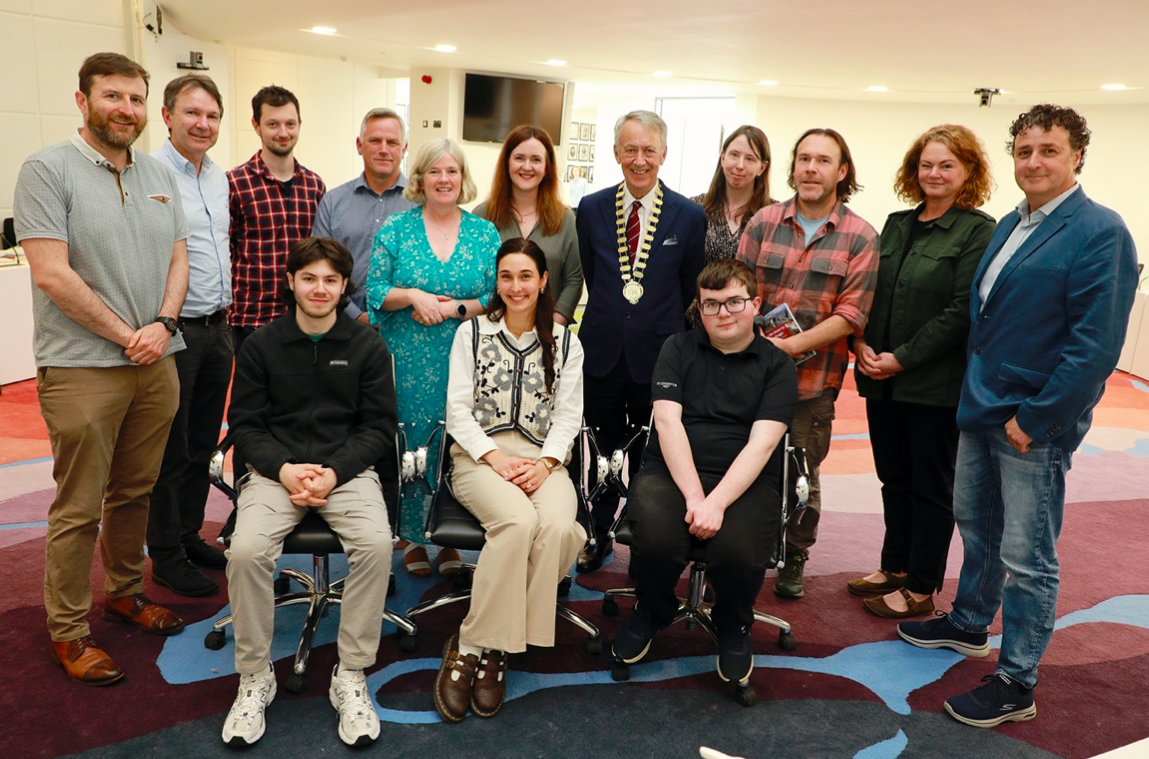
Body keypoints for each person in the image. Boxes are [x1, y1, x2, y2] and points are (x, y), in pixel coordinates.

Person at [898, 105, 1138, 728]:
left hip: (1032, 423)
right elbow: (988, 318)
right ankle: (970, 622)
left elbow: (1094, 349)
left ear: (1076, 157)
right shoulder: (1013, 223)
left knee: (1028, 555)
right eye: (1024, 150)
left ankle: (1017, 679)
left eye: (1049, 150)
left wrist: (1037, 419)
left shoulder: (1099, 231)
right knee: (975, 523)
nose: (1034, 162)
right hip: (983, 410)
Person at [15, 52, 188, 686]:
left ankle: (123, 592)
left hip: (157, 358)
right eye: (113, 96)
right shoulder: (46, 170)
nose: (127, 109)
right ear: (83, 101)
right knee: (78, 505)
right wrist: (126, 336)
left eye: (136, 99)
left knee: (135, 492)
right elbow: (51, 274)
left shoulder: (155, 172)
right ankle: (68, 630)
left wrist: (163, 327)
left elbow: (179, 258)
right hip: (83, 364)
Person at [222, 237, 396, 747]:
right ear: (291, 282)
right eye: (309, 278)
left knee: (376, 545)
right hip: (276, 473)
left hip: (347, 472)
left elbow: (379, 426)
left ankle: (352, 674)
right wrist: (286, 470)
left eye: (330, 280)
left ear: (345, 286)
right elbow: (246, 425)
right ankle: (255, 675)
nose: (320, 289)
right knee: (248, 550)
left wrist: (333, 473)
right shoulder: (260, 345)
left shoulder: (367, 345)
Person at [611, 259, 796, 685]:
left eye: (734, 302)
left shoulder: (778, 365)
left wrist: (717, 502)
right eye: (711, 305)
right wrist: (696, 498)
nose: (723, 313)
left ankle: (735, 623)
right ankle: (652, 610)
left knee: (738, 548)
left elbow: (763, 444)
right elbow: (668, 424)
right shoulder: (676, 348)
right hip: (671, 472)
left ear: (755, 303)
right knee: (656, 537)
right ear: (699, 308)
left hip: (744, 480)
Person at [434, 238, 586, 722]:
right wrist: (494, 457)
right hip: (480, 460)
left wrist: (544, 464)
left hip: (544, 461)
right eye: (506, 277)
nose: (516, 286)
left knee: (563, 529)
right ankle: (487, 648)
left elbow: (569, 417)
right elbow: (456, 412)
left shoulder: (566, 342)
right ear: (496, 282)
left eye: (526, 276)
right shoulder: (471, 333)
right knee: (518, 524)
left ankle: (478, 635)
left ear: (544, 282)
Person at [848, 125, 996, 619]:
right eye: (926, 164)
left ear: (968, 172)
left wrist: (902, 357)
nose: (934, 174)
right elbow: (867, 290)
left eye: (947, 165)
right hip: (880, 379)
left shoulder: (978, 230)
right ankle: (894, 566)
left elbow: (960, 312)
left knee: (931, 487)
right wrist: (861, 342)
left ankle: (921, 585)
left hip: (932, 385)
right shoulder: (893, 223)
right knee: (894, 479)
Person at [739, 128, 879, 598]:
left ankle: (795, 555)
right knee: (741, 465)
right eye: (803, 159)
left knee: (802, 476)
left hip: (811, 384)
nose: (810, 169)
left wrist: (788, 350)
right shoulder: (763, 221)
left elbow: (851, 315)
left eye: (822, 161)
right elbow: (740, 291)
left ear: (842, 172)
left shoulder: (860, 236)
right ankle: (742, 552)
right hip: (750, 377)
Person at [574, 109, 707, 572]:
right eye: (630, 149)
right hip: (603, 351)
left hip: (660, 357)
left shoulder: (689, 216)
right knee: (605, 451)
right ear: (615, 153)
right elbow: (595, 274)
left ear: (664, 154)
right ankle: (598, 532)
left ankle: (646, 538)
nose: (639, 159)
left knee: (654, 454)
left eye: (649, 150)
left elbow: (690, 286)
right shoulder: (591, 208)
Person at [366, 139, 500, 576]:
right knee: (411, 442)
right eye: (434, 172)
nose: (444, 180)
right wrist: (412, 296)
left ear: (463, 179)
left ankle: (447, 538)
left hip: (465, 357)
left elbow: (495, 295)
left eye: (452, 171)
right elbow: (374, 293)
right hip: (405, 358)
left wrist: (453, 308)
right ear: (419, 179)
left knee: (454, 441)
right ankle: (408, 537)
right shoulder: (396, 230)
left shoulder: (484, 232)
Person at [147, 73, 233, 597]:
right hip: (175, 332)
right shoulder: (148, 174)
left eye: (211, 116)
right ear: (168, 116)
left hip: (217, 328)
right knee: (169, 448)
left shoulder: (218, 177)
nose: (202, 124)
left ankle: (188, 533)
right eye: (192, 113)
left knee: (203, 443)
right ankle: (166, 554)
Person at [228, 85, 325, 354]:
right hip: (251, 321)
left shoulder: (314, 186)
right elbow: (226, 253)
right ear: (256, 125)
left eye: (290, 124)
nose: (283, 133)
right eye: (273, 124)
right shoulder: (235, 183)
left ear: (300, 125)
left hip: (304, 319)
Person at [311, 107, 415, 326]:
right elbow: (320, 267)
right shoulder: (332, 203)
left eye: (392, 143)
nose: (384, 149)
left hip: (404, 326)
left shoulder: (421, 204)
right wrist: (355, 315)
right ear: (359, 145)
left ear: (404, 149)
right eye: (375, 141)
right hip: (341, 323)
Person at [474, 125, 583, 325]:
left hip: (549, 333)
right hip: (493, 333)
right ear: (507, 163)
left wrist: (552, 328)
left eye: (536, 160)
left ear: (547, 167)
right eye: (519, 158)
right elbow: (476, 279)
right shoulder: (482, 217)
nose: (527, 166)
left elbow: (574, 280)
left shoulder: (566, 220)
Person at [691, 125, 773, 262]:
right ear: (723, 158)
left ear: (762, 168)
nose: (740, 165)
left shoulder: (773, 215)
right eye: (734, 155)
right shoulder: (695, 207)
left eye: (750, 159)